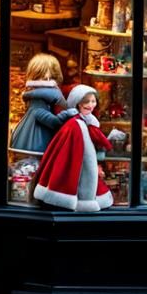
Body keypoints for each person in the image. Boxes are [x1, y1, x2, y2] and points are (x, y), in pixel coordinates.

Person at [32, 84, 114, 212]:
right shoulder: (77, 125)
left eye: (93, 101)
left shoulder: (87, 122)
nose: (90, 105)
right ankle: (83, 201)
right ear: (77, 104)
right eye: (86, 102)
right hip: (79, 181)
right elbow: (87, 162)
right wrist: (87, 199)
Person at [9, 53, 74, 156]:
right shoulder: (41, 100)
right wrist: (69, 113)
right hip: (37, 151)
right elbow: (53, 121)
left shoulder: (36, 96)